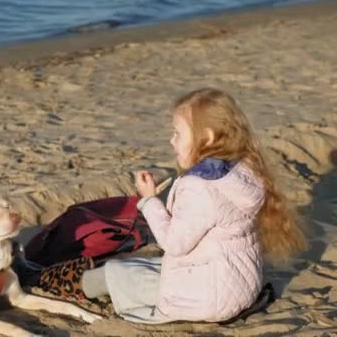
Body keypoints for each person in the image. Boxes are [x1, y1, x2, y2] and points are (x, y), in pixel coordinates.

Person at [77, 87, 307, 324]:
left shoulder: (199, 187)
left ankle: (72, 285)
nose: (171, 140)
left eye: (177, 133)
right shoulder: (244, 167)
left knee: (113, 274)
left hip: (209, 299)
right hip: (239, 285)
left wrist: (148, 200)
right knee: (145, 265)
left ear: (206, 137)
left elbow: (173, 244)